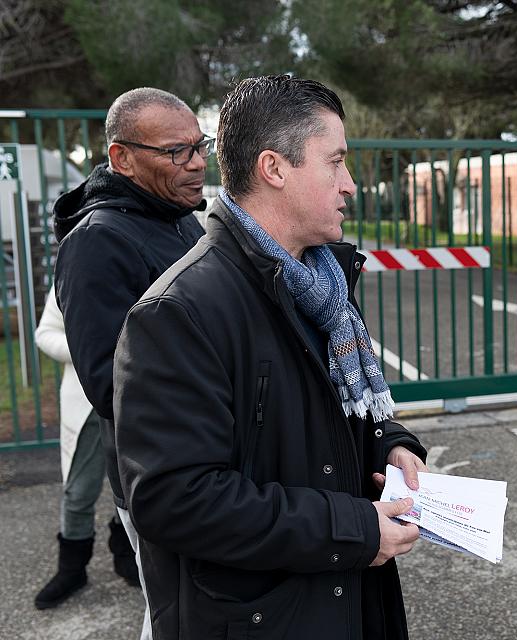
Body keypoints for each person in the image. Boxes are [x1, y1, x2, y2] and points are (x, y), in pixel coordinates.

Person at [113, 74, 427, 640]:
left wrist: (390, 441)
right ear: (274, 168)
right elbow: (176, 500)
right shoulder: (178, 312)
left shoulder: (322, 283)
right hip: (263, 617)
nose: (350, 184)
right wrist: (354, 529)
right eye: (336, 162)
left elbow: (328, 415)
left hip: (347, 597)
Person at [53, 87, 210, 632]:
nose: (195, 163)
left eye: (199, 145)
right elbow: (110, 382)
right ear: (122, 158)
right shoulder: (97, 241)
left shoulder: (179, 217)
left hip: (206, 467)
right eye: (175, 152)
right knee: (178, 617)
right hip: (164, 478)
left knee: (182, 613)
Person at [32, 286, 139, 610]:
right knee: (79, 490)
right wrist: (86, 348)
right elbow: (44, 334)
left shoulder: (138, 259)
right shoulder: (73, 270)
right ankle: (72, 568)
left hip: (138, 397)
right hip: (87, 402)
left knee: (135, 485)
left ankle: (126, 553)